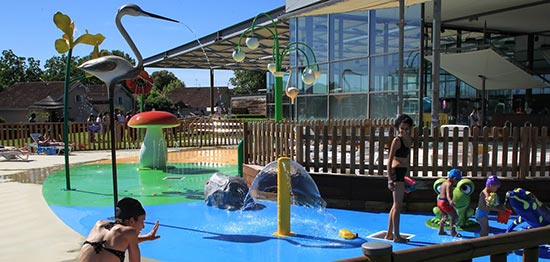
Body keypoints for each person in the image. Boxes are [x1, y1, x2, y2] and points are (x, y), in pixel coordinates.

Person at [78, 197, 160, 262]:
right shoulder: (130, 232)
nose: (143, 226)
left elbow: (111, 242)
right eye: (142, 221)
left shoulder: (98, 225)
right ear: (131, 221)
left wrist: (147, 237)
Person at [384, 114, 414, 243]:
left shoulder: (409, 140)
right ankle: (396, 236)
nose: (404, 131)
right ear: (398, 128)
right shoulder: (397, 141)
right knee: (397, 206)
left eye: (406, 129)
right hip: (396, 173)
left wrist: (408, 176)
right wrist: (390, 179)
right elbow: (389, 161)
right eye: (402, 128)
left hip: (402, 174)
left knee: (395, 205)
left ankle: (389, 234)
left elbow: (407, 160)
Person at [437, 168, 462, 237]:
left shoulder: (444, 183)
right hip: (445, 202)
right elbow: (448, 194)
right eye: (457, 180)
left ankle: (441, 230)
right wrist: (450, 200)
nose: (456, 182)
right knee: (454, 216)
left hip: (439, 201)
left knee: (444, 216)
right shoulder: (449, 184)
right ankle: (452, 232)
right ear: (454, 178)